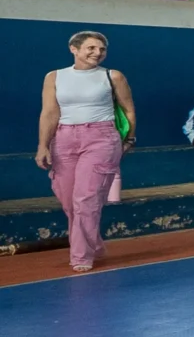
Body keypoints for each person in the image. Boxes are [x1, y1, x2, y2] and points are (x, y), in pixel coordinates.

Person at [35, 30, 136, 273]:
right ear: (74, 49)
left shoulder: (113, 76)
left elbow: (129, 110)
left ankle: (81, 255)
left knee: (86, 198)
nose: (97, 53)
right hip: (64, 139)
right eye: (91, 48)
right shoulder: (54, 77)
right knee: (69, 200)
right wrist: (42, 146)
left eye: (102, 49)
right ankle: (95, 245)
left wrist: (129, 139)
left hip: (101, 138)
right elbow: (49, 113)